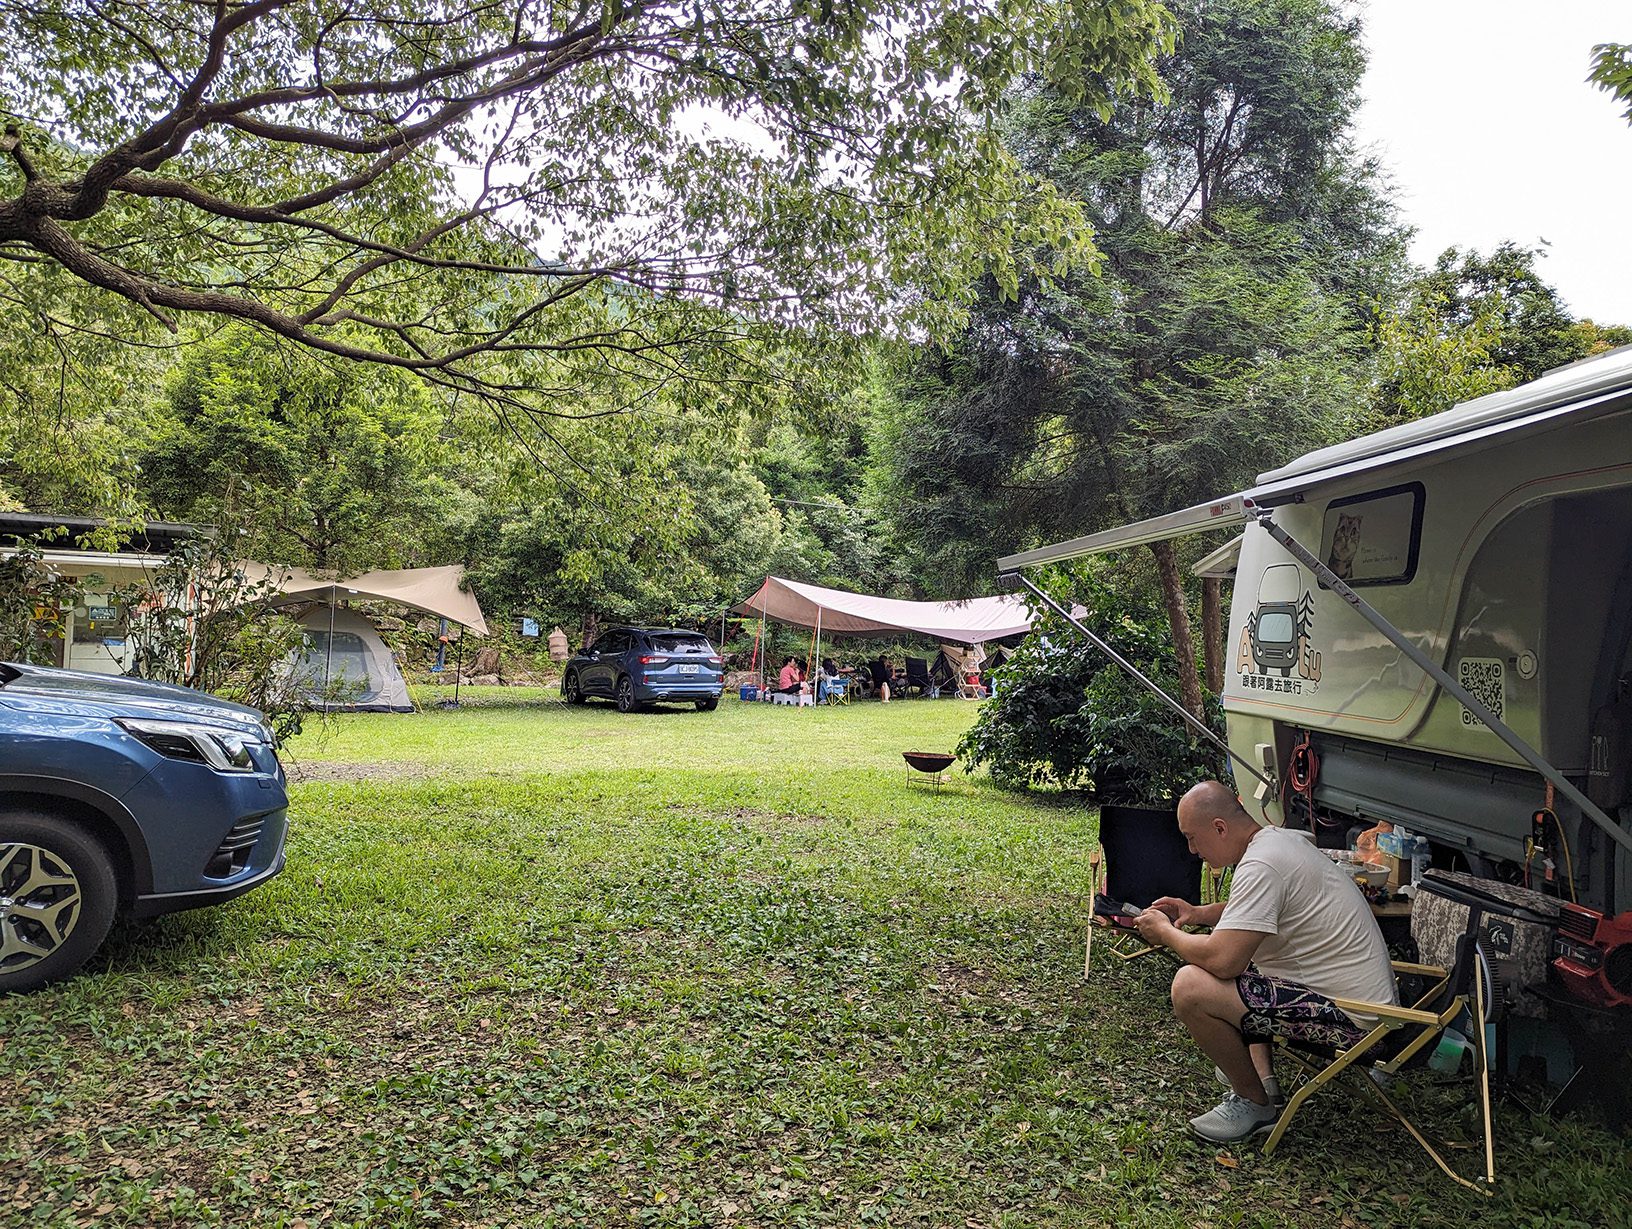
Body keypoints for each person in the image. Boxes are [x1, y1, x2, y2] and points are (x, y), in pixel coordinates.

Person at [1132, 780, 1398, 1143]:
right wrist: (1198, 913)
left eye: (1192, 838)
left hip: (1356, 1022)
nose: (1193, 850)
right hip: (1366, 1009)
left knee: (1191, 986)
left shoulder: (1262, 863)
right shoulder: (1279, 842)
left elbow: (1223, 961)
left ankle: (1253, 1103)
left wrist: (1166, 933)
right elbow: (1261, 909)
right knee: (1250, 961)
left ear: (1220, 828)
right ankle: (1265, 1082)